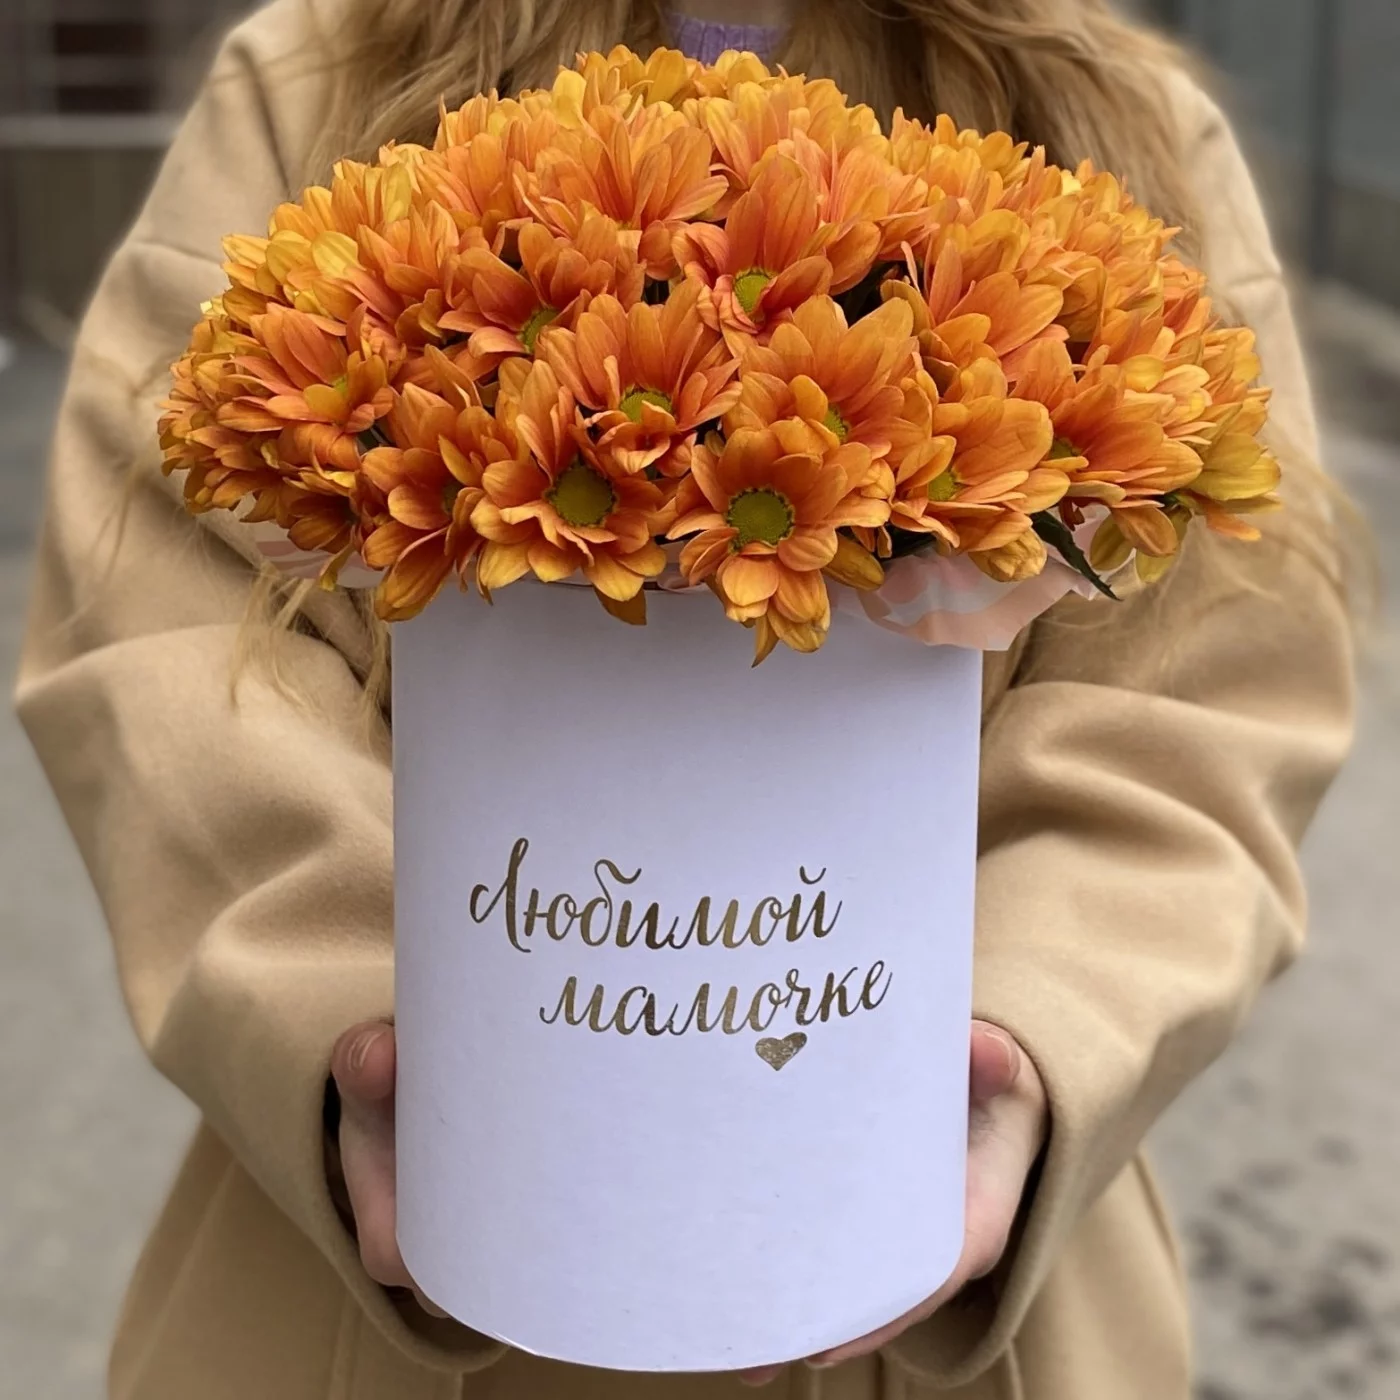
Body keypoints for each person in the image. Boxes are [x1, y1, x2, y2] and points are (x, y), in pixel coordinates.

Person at [15, 0, 1354, 1397]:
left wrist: (1040, 1036)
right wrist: (350, 1022)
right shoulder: (316, 74)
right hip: (387, 1277)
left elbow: (1205, 705)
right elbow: (158, 635)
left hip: (929, 1234)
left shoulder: (1110, 108)